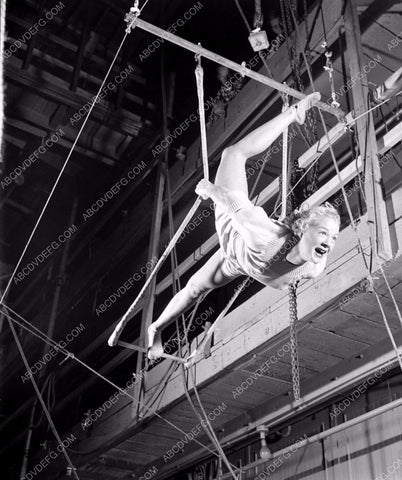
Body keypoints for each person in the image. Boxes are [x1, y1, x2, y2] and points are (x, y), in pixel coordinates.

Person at [148, 92, 340, 359]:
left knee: (195, 288)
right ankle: (156, 328)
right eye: (323, 233)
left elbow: (285, 273)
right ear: (302, 229)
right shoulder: (266, 235)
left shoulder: (315, 267)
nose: (329, 242)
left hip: (239, 263)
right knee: (233, 154)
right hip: (234, 233)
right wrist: (211, 190)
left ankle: (155, 326)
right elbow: (233, 207)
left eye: (333, 238)